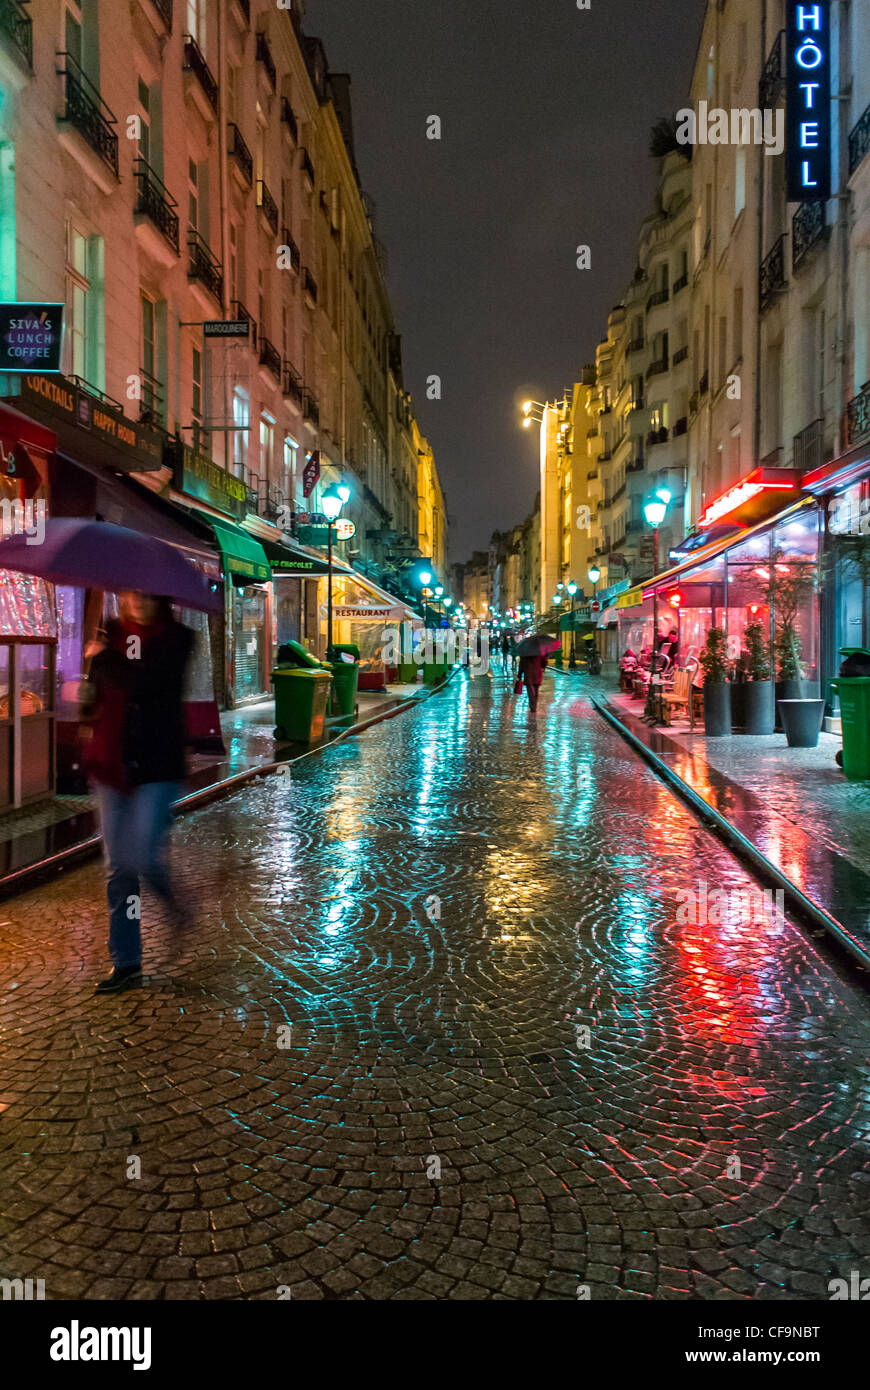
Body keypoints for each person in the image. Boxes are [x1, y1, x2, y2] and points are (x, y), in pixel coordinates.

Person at [81, 592, 194, 994]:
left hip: (157, 767)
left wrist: (104, 658)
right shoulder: (109, 638)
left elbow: (149, 683)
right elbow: (95, 701)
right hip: (112, 766)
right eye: (131, 595)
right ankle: (126, 961)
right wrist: (85, 693)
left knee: (141, 855)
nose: (139, 602)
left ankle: (178, 907)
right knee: (120, 869)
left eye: (147, 595)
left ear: (161, 598)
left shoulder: (178, 639)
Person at [519, 647, 548, 712]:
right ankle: (534, 706)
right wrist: (545, 658)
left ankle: (533, 706)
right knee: (536, 691)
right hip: (537, 675)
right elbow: (544, 664)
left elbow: (521, 665)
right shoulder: (540, 653)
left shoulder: (524, 654)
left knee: (530, 692)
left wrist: (520, 675)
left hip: (528, 674)